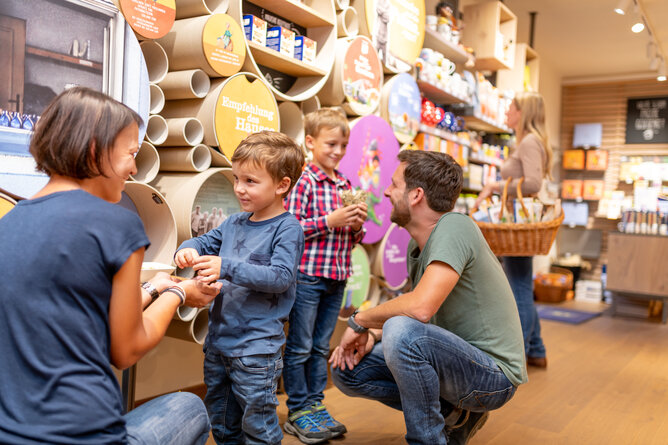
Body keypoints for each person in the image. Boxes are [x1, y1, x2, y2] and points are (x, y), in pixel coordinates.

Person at [0, 87, 221, 444]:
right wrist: (180, 292)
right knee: (190, 407)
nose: (134, 168)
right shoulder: (116, 225)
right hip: (86, 437)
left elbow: (76, 314)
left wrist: (153, 288)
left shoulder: (7, 224)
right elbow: (126, 348)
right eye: (131, 154)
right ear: (94, 150)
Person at [330, 150, 528, 445]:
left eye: (394, 184)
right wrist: (372, 333)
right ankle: (453, 415)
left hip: (493, 377)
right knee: (347, 369)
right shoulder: (419, 246)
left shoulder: (455, 226)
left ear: (416, 195)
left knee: (400, 331)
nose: (385, 191)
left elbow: (420, 308)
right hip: (456, 362)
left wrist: (360, 321)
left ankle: (428, 439)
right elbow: (416, 309)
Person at [174, 131, 306, 445]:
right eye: (236, 179)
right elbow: (202, 242)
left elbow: (280, 277)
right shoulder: (233, 223)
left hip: (257, 351)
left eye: (249, 181)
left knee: (258, 428)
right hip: (218, 346)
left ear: (281, 185)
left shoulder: (288, 229)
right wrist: (188, 249)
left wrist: (226, 267)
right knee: (220, 423)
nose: (238, 188)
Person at [283, 108, 368, 444]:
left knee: (320, 346)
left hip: (337, 276)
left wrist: (357, 227)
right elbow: (290, 230)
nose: (337, 151)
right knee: (300, 346)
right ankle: (298, 408)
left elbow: (353, 236)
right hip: (307, 277)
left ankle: (315, 405)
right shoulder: (304, 181)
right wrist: (329, 221)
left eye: (343, 145)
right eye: (331, 143)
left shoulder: (346, 184)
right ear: (310, 142)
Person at [474, 91, 554, 368]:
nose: (506, 112)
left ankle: (513, 357)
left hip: (519, 224)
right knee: (521, 281)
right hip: (519, 222)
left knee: (518, 286)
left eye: (510, 108)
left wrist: (494, 186)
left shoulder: (530, 141)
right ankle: (536, 348)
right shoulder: (528, 141)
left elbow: (532, 183)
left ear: (523, 112)